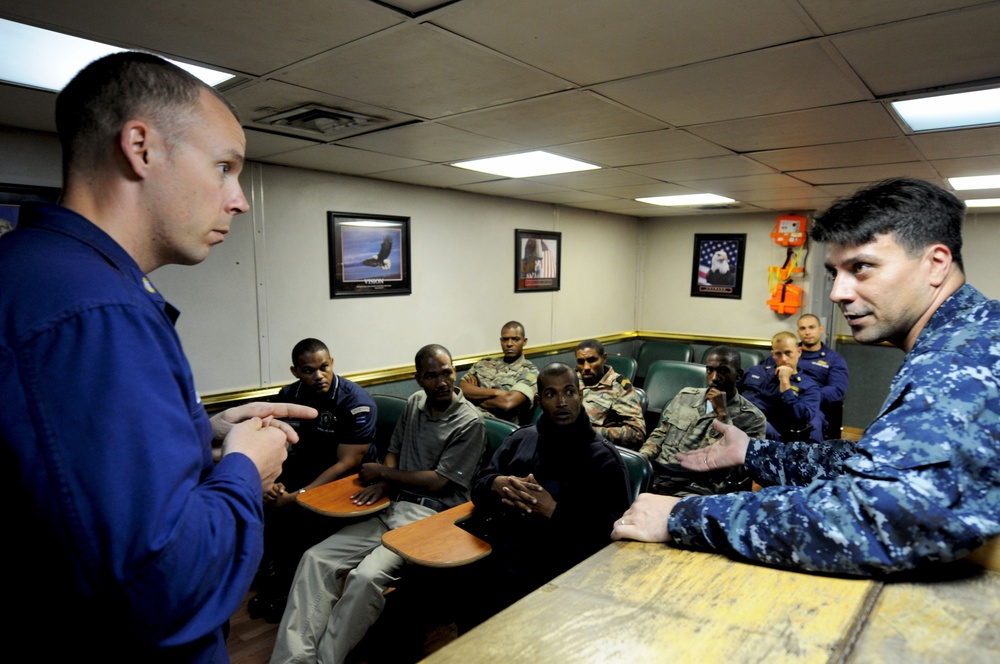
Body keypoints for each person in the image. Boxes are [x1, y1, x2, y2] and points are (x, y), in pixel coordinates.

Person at [0, 52, 318, 660]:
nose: (240, 199)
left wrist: (199, 434)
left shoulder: (33, 272)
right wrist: (246, 467)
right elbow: (168, 584)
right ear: (141, 147)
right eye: (224, 167)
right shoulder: (97, 312)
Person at [613, 178, 1000, 576]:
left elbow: (878, 519)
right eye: (835, 273)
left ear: (934, 264)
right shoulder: (967, 335)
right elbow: (878, 462)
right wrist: (753, 453)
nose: (838, 293)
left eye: (861, 267)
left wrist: (683, 515)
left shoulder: (962, 358)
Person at [271, 344, 486, 664]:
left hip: (430, 519)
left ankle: (325, 660)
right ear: (418, 380)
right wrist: (386, 481)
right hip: (392, 506)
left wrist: (385, 474)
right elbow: (394, 450)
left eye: (447, 373)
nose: (441, 382)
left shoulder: (471, 422)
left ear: (455, 372)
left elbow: (440, 482)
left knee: (365, 578)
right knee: (316, 558)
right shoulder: (414, 404)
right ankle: (292, 659)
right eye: (432, 376)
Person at [464, 362, 632, 623]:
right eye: (552, 395)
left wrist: (553, 510)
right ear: (540, 401)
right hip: (504, 557)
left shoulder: (604, 459)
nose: (562, 402)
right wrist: (495, 483)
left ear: (580, 395)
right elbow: (478, 486)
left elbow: (613, 536)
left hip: (564, 572)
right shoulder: (520, 439)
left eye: (569, 392)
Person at [251, 338, 377, 622]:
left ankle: (289, 593)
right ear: (296, 371)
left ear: (332, 363)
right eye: (309, 370)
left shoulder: (355, 402)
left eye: (324, 367)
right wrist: (275, 484)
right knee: (265, 504)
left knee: (300, 516)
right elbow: (278, 445)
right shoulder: (289, 394)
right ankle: (273, 579)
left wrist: (298, 495)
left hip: (346, 481)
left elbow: (348, 463)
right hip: (305, 471)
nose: (318, 376)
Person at [638, 346, 766, 496]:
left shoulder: (752, 418)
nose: (714, 378)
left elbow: (740, 472)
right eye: (710, 370)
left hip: (698, 485)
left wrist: (723, 415)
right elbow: (660, 434)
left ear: (738, 375)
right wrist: (640, 462)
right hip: (659, 473)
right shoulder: (685, 396)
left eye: (723, 371)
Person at [740, 331, 824, 443]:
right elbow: (735, 394)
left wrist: (785, 383)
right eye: (778, 354)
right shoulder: (756, 372)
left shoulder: (809, 386)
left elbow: (800, 420)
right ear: (773, 354)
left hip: (776, 437)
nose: (784, 359)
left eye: (788, 353)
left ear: (799, 352)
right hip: (740, 424)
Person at [459, 321, 538, 423]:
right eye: (505, 339)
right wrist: (497, 393)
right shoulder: (484, 363)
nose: (509, 344)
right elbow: (462, 388)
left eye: (515, 339)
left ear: (524, 341)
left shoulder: (530, 372)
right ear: (501, 341)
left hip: (496, 427)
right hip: (466, 419)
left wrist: (474, 394)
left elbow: (507, 403)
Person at [575, 339, 645, 448]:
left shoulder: (619, 387)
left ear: (603, 358)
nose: (586, 367)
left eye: (592, 360)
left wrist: (592, 432)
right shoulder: (572, 380)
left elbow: (637, 433)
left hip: (596, 448)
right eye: (581, 362)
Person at [795, 313, 850, 438]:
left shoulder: (834, 359)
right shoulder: (788, 352)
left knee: (813, 424)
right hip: (782, 399)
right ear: (798, 332)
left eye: (811, 327)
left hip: (813, 406)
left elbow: (837, 389)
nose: (807, 332)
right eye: (803, 328)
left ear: (821, 329)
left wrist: (809, 396)